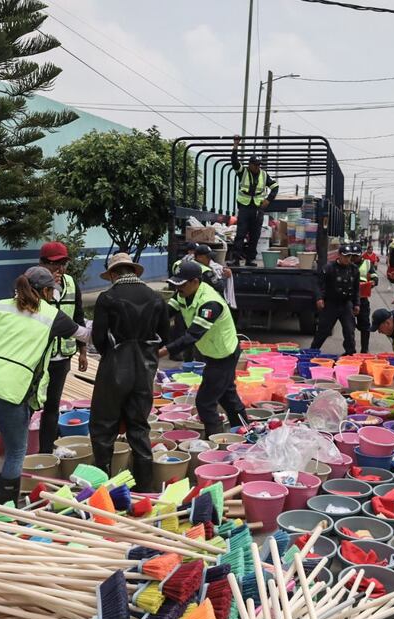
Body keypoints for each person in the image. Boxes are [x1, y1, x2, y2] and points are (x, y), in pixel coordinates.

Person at [0, 267, 91, 514]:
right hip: (11, 390)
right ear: (44, 291)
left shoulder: (0, 306)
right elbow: (84, 334)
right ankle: (5, 513)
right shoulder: (52, 315)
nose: (54, 296)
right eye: (52, 291)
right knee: (16, 450)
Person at [89, 253, 170, 492]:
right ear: (134, 271)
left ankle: (102, 487)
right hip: (145, 367)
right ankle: (144, 487)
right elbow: (165, 335)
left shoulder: (108, 298)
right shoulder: (156, 298)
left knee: (104, 426)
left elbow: (98, 337)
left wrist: (113, 354)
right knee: (139, 426)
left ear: (114, 274)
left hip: (115, 365)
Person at [161, 262, 247, 437]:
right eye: (176, 284)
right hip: (213, 352)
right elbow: (164, 313)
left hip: (224, 354)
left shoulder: (210, 303)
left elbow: (192, 336)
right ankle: (243, 430)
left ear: (195, 281)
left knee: (205, 402)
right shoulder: (183, 294)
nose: (178, 288)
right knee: (227, 395)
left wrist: (163, 351)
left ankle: (214, 439)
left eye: (182, 284)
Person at [35, 241, 87, 453]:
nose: (59, 269)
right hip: (38, 357)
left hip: (62, 356)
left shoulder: (71, 284)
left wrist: (83, 351)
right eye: (54, 264)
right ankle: (21, 450)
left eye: (63, 264)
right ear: (42, 263)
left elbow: (79, 317)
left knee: (52, 406)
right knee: (30, 405)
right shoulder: (33, 284)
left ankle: (46, 451)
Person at [228, 135, 278, 266]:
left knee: (254, 235)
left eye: (258, 165)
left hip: (258, 209)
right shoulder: (242, 171)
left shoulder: (264, 174)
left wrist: (268, 200)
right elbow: (234, 162)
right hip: (244, 207)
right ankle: (236, 259)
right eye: (255, 165)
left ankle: (250, 259)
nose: (257, 167)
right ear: (249, 164)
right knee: (240, 234)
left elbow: (275, 187)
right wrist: (235, 145)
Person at [310, 243, 361, 356]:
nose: (348, 259)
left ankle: (350, 354)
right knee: (323, 330)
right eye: (345, 256)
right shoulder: (329, 268)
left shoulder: (354, 270)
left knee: (349, 330)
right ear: (339, 255)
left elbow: (357, 289)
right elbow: (317, 284)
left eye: (349, 256)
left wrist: (357, 304)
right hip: (330, 304)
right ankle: (312, 352)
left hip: (346, 304)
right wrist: (319, 298)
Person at [357, 246, 379, 354]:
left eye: (356, 255)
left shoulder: (367, 263)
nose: (354, 258)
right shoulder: (347, 262)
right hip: (349, 298)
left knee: (365, 325)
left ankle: (364, 350)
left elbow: (375, 275)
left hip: (363, 297)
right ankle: (350, 351)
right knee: (348, 326)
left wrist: (374, 281)